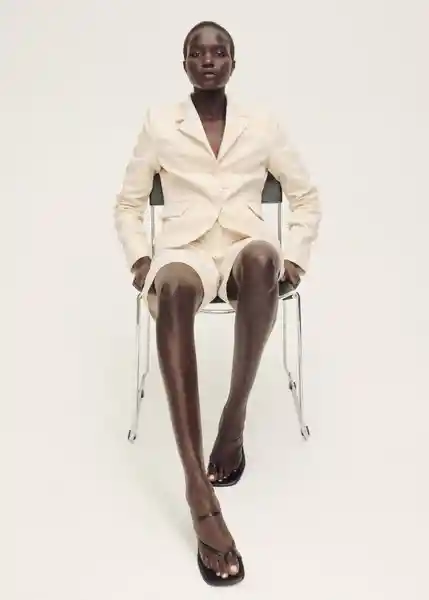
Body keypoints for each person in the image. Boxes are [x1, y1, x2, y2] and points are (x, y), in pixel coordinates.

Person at [114, 20, 321, 586]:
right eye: (197, 52)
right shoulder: (160, 123)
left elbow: (304, 196)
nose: (208, 60)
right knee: (174, 288)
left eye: (219, 52)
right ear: (184, 63)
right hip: (183, 251)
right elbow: (129, 202)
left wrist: (296, 257)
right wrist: (139, 259)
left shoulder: (264, 123)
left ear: (233, 62)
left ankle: (233, 419)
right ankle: (197, 491)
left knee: (263, 258)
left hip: (240, 249)